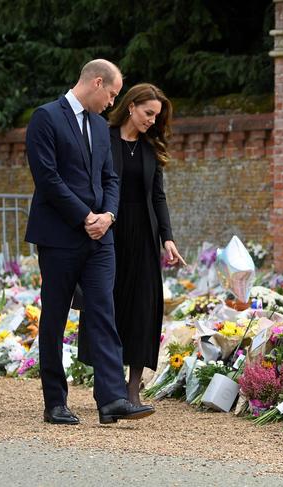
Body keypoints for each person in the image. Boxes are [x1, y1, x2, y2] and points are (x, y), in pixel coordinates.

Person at [25, 59, 154, 425]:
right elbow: (47, 179)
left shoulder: (100, 126)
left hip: (100, 237)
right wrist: (85, 217)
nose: (112, 102)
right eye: (112, 94)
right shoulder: (46, 117)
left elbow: (111, 179)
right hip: (60, 235)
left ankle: (112, 399)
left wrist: (108, 217)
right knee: (55, 316)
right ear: (97, 83)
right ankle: (55, 402)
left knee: (103, 313)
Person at [77, 83, 185, 406]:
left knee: (142, 310)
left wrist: (167, 237)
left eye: (157, 116)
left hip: (145, 240)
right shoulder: (103, 138)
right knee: (106, 307)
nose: (152, 120)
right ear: (130, 107)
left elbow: (158, 196)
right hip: (108, 236)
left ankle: (133, 389)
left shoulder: (151, 148)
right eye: (148, 113)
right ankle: (105, 386)